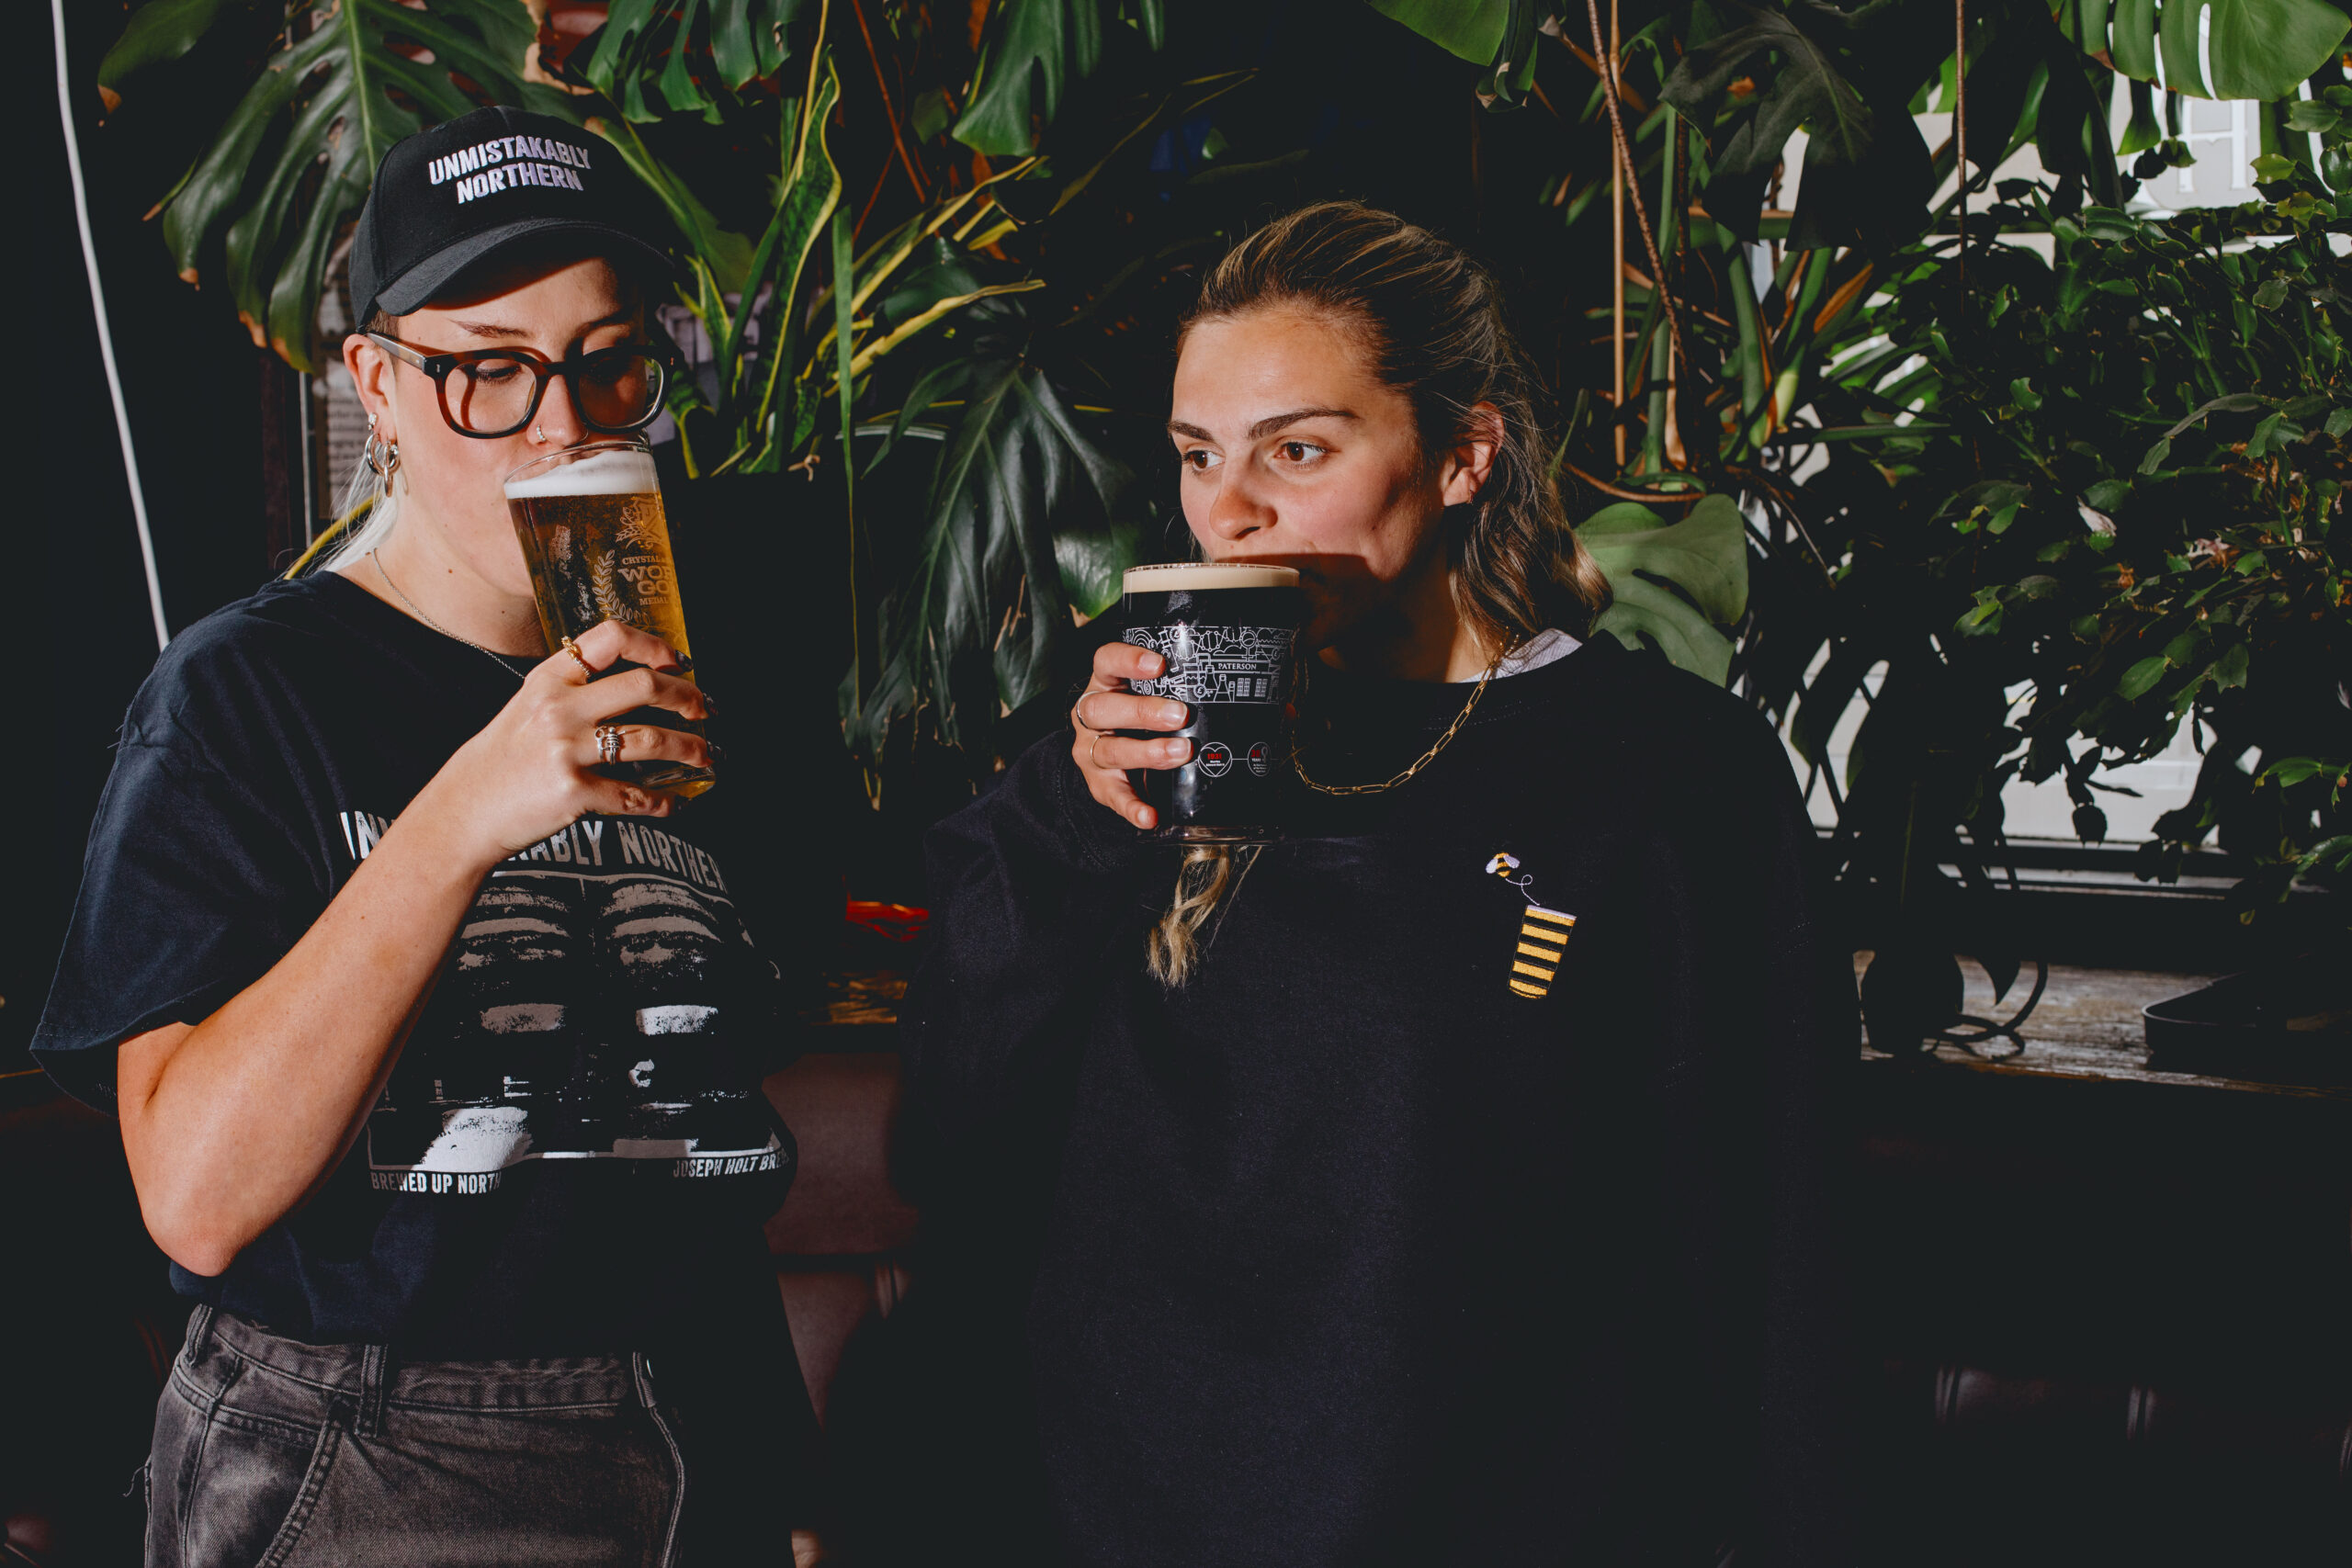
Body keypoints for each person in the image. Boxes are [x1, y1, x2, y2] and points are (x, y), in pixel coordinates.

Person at [899, 203, 1852, 1565]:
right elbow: (949, 1135)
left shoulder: (1664, 778)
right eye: (1196, 455)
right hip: (1119, 1516)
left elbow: (1769, 1253)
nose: (1228, 510)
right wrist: (1074, 810)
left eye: (1298, 449)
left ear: (1465, 454)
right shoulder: (1121, 756)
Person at [33, 107, 825, 1567]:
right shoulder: (245, 694)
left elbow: (681, 1135)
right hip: (383, 1452)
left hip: (694, 1419)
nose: (564, 428)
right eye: (490, 374)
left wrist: (782, 1483)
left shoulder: (708, 674)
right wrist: (467, 810)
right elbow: (198, 1199)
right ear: (381, 393)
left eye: (607, 364)